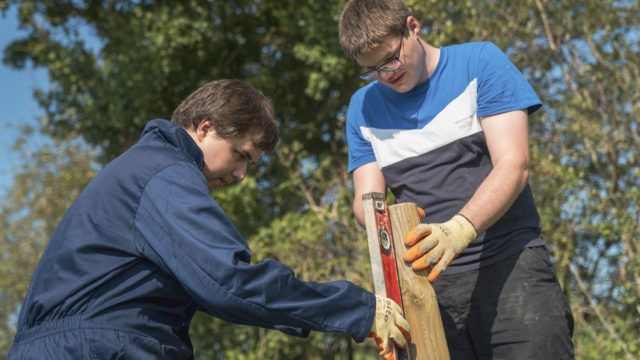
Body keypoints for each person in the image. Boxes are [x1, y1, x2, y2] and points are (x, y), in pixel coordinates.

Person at [8, 79, 410, 359]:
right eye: (241, 155)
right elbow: (230, 281)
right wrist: (358, 309)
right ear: (205, 128)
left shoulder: (144, 169)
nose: (239, 175)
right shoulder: (165, 174)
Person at [338, 1, 574, 359]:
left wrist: (459, 229)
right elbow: (365, 200)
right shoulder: (362, 107)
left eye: (391, 58)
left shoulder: (480, 63)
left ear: (412, 27)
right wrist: (379, 225)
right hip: (424, 287)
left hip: (510, 270)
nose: (386, 74)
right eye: (372, 69)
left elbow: (514, 164)